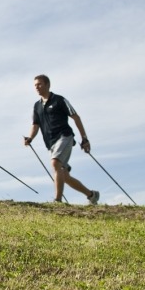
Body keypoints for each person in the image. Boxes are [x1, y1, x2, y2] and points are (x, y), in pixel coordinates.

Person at [23, 74, 99, 204]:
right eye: (35, 85)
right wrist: (30, 138)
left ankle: (57, 201)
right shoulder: (37, 106)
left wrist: (84, 139)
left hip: (65, 136)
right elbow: (35, 125)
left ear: (47, 85)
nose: (37, 87)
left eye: (39, 84)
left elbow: (76, 117)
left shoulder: (59, 100)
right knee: (64, 176)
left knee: (55, 163)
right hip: (50, 143)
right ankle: (91, 195)